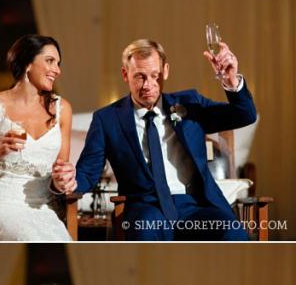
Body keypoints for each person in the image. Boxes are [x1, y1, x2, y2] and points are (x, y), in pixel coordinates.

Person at [52, 39, 256, 241]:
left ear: (165, 71)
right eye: (139, 77)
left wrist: (231, 82)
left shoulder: (189, 102)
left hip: (194, 206)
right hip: (145, 208)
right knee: (146, 231)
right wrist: (69, 182)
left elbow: (245, 115)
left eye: (155, 76)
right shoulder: (107, 119)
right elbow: (89, 172)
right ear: (125, 74)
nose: (148, 85)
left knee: (231, 232)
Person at [0, 34, 72, 241]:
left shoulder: (62, 109)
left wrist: (63, 181)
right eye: (50, 61)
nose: (58, 70)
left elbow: (59, 175)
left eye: (58, 63)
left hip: (40, 208)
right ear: (28, 64)